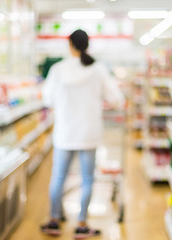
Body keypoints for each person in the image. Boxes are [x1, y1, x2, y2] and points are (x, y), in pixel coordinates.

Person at [41, 29, 124, 239]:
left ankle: (53, 221)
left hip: (64, 133)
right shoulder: (97, 70)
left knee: (58, 177)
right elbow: (116, 98)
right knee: (87, 179)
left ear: (70, 45)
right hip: (89, 133)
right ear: (87, 45)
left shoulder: (58, 69)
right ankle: (82, 225)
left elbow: (47, 99)